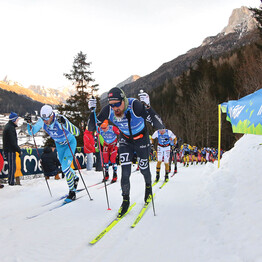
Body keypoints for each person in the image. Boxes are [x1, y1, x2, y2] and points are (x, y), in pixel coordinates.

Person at [87, 87, 165, 216]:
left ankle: (148, 189)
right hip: (125, 140)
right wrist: (92, 111)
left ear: (123, 100)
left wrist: (148, 107)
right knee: (125, 172)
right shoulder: (109, 110)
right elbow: (91, 127)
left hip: (141, 139)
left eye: (117, 104)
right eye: (111, 105)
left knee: (144, 168)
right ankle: (125, 200)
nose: (115, 108)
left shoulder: (135, 106)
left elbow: (160, 125)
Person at [25, 105, 80, 201]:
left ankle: (72, 191)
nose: (45, 121)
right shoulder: (42, 121)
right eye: (43, 118)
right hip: (59, 145)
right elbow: (32, 132)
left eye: (47, 118)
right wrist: (29, 123)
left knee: (65, 167)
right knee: (64, 168)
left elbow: (77, 132)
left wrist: (65, 124)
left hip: (69, 143)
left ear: (52, 115)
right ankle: (74, 177)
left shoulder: (59, 119)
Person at [2, 112, 21, 186]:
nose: (18, 121)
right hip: (10, 150)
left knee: (12, 166)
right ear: (14, 120)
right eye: (17, 120)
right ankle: (11, 182)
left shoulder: (9, 126)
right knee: (12, 167)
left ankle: (11, 181)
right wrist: (18, 150)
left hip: (8, 149)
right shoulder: (10, 128)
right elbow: (13, 142)